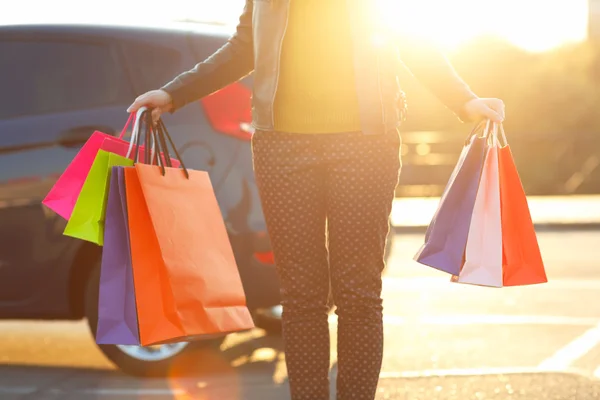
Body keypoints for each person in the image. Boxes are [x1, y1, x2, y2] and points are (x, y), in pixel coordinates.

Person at [128, 1, 505, 399]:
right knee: (301, 296)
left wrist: (464, 101)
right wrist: (174, 93)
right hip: (281, 147)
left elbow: (411, 39)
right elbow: (245, 47)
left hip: (365, 143)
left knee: (358, 292)